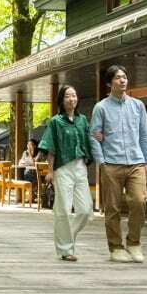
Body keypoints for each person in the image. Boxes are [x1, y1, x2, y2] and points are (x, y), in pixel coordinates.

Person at [90, 64, 147, 263]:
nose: (123, 80)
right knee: (113, 208)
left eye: (124, 77)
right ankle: (116, 247)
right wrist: (102, 162)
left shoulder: (137, 106)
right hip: (111, 163)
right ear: (110, 83)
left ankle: (134, 243)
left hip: (136, 162)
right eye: (118, 77)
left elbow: (145, 135)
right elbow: (94, 136)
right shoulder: (101, 107)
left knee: (139, 201)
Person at [39, 84, 92, 262]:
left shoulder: (82, 120)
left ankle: (66, 238)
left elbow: (89, 138)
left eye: (74, 96)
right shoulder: (55, 121)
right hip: (62, 168)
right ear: (62, 100)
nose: (72, 99)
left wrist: (99, 137)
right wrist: (50, 171)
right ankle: (66, 249)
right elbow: (51, 147)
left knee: (85, 210)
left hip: (80, 167)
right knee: (63, 209)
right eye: (68, 96)